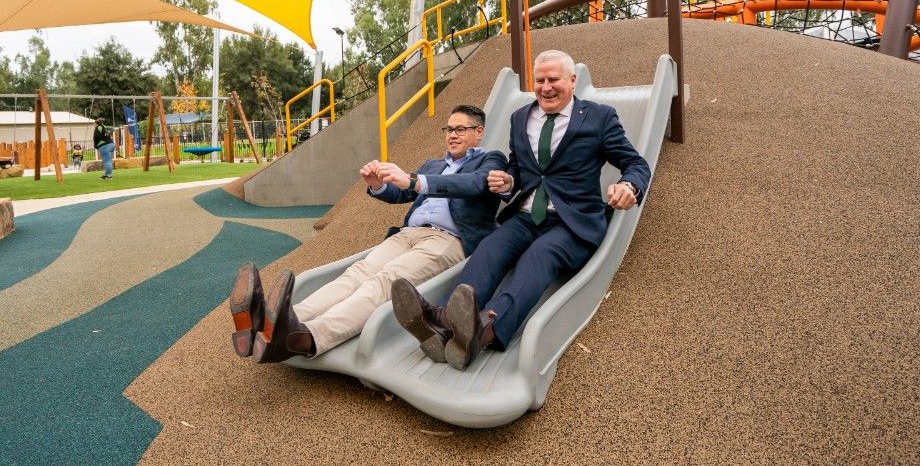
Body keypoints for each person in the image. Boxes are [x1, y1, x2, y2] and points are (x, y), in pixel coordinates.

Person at [392, 50, 652, 371]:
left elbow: (635, 163)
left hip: (571, 224)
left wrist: (629, 186)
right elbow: (520, 168)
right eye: (539, 80)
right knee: (490, 248)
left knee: (539, 255)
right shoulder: (520, 118)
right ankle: (445, 321)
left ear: (572, 81)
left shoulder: (599, 118)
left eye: (553, 79)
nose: (545, 87)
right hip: (526, 216)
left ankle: (486, 329)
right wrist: (509, 179)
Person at [231, 104, 508, 363]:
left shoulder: (490, 160)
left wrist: (414, 180)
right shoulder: (433, 164)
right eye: (449, 129)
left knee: (383, 283)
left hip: (447, 240)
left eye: (460, 129)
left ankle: (307, 337)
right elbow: (402, 192)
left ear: (478, 132)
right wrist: (378, 185)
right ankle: (277, 321)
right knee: (357, 274)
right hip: (408, 234)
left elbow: (472, 185)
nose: (452, 135)